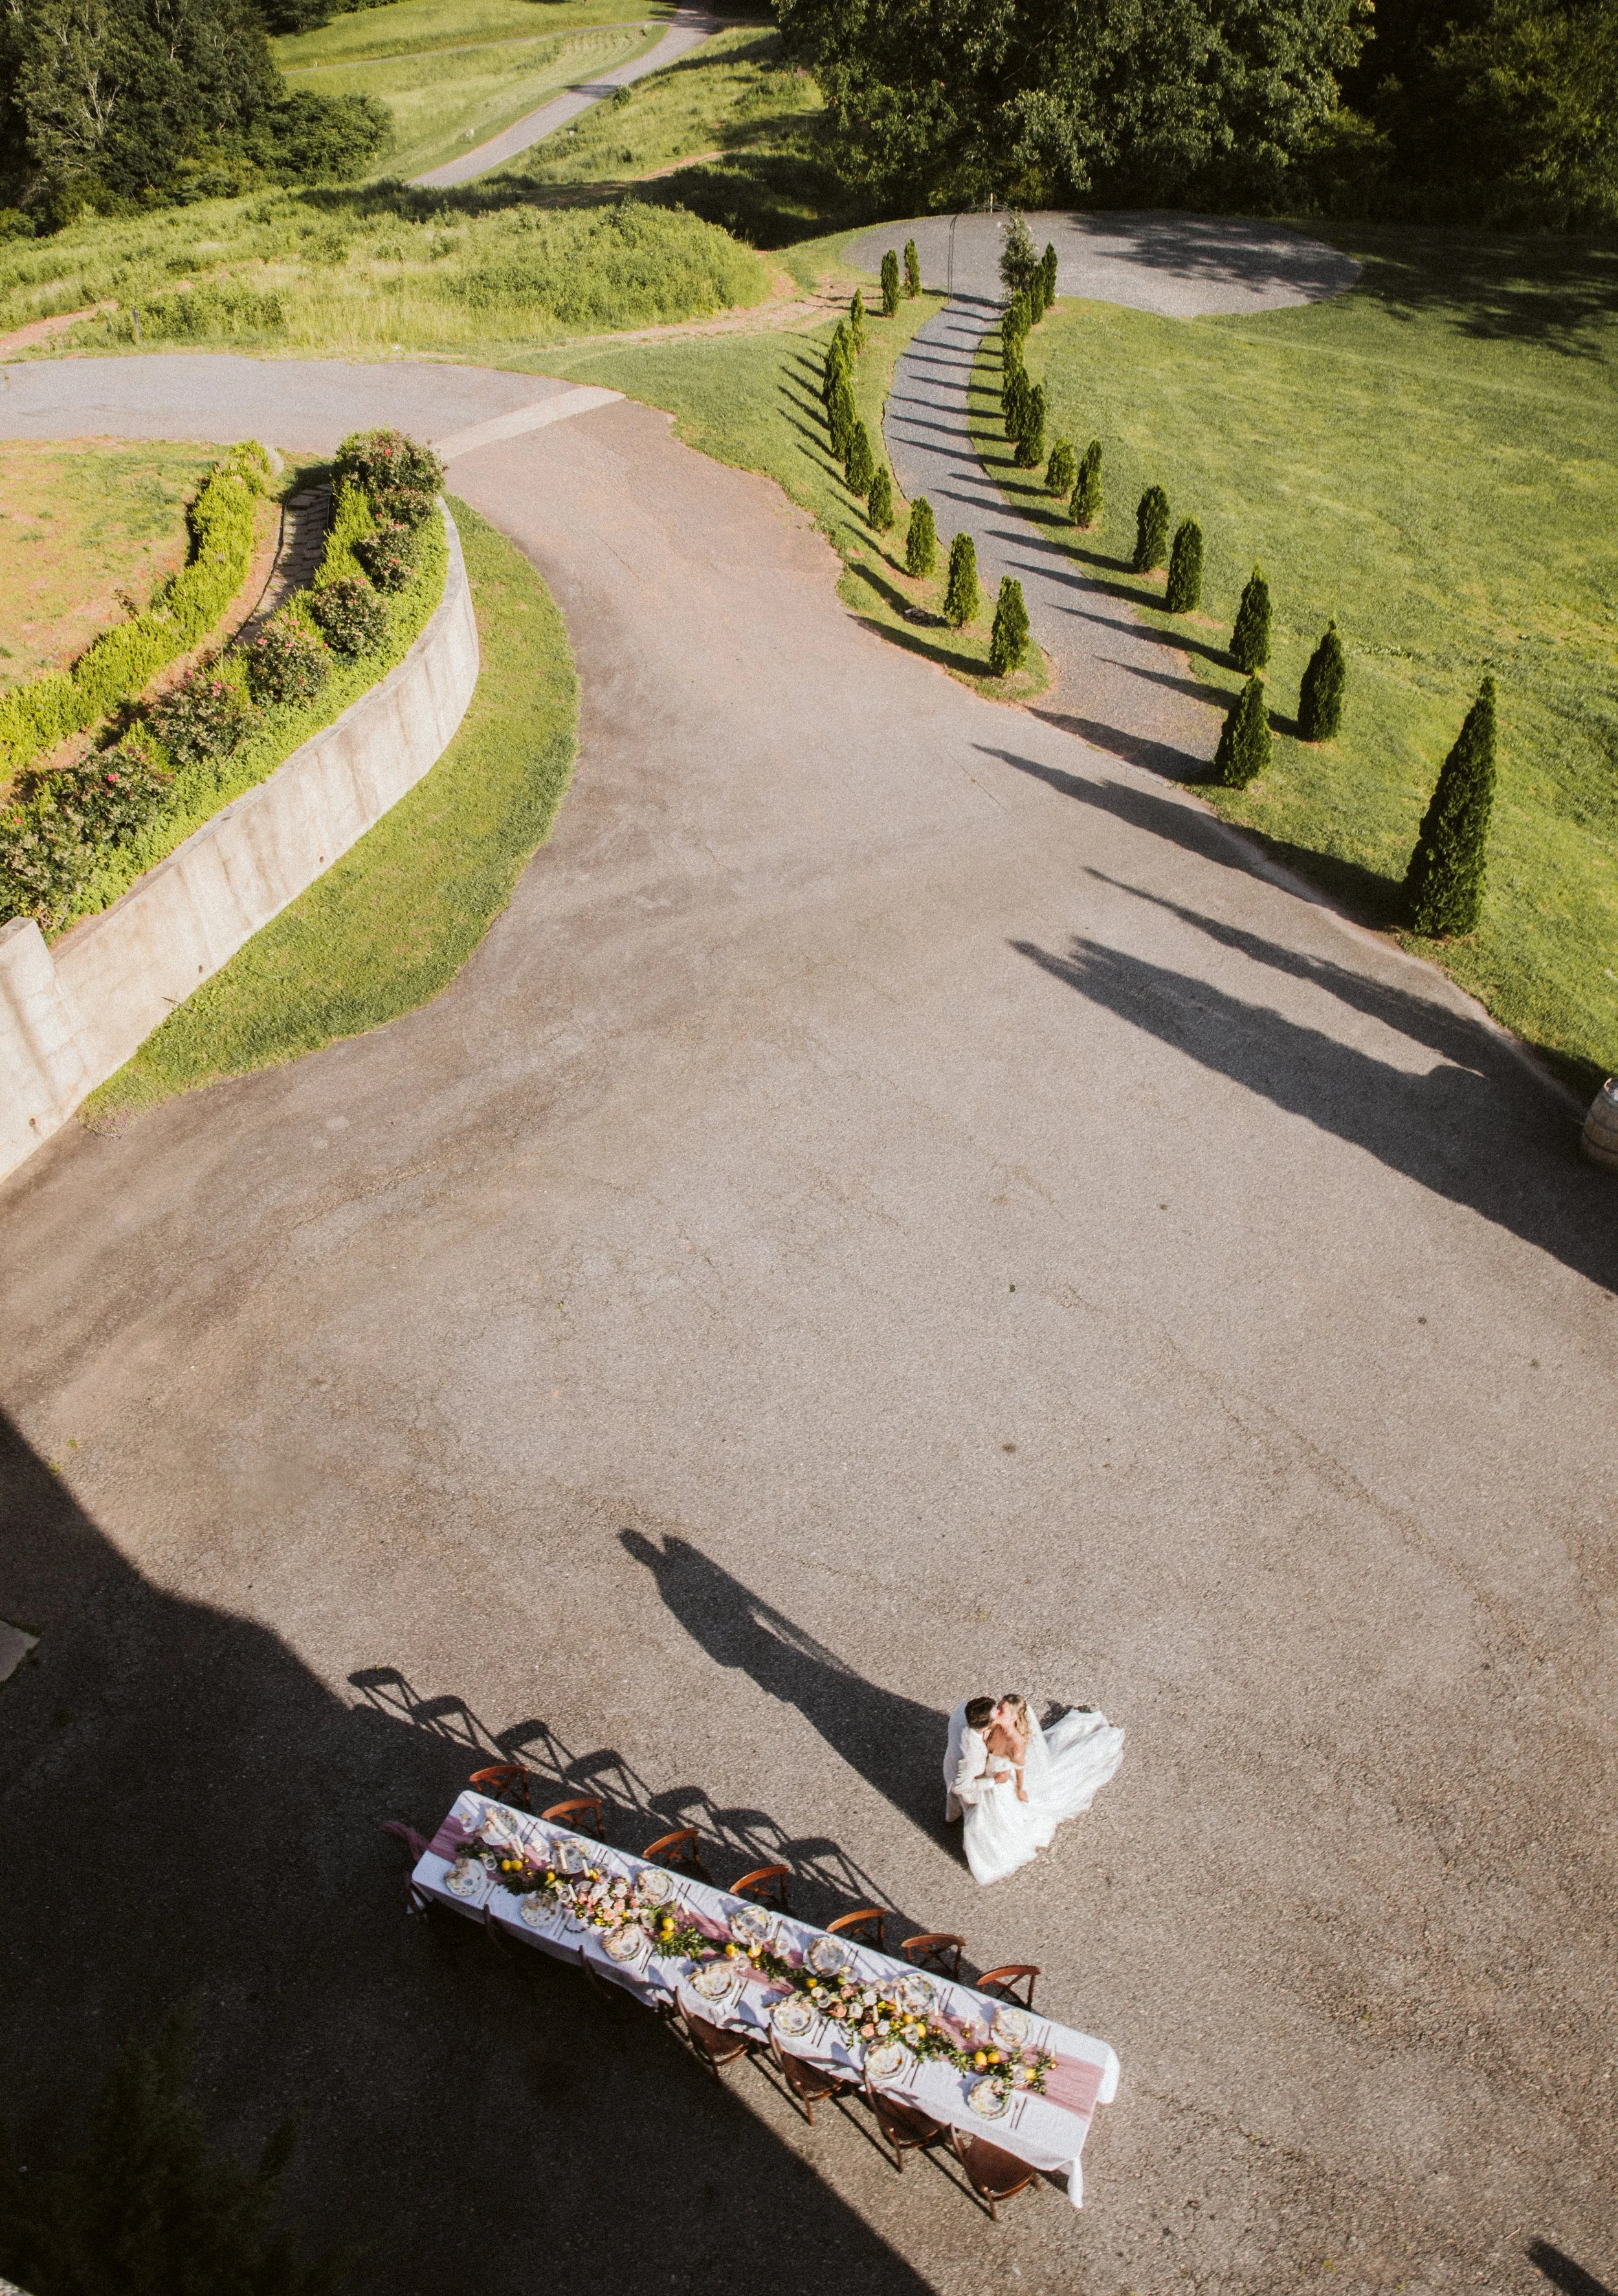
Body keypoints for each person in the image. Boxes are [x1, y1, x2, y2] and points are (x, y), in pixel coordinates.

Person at [944, 1692, 1125, 1887]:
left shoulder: (1016, 1744)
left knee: (990, 1821)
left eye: (1001, 1710)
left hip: (1001, 1785)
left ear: (1013, 1718)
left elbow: (1019, 1769)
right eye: (998, 1707)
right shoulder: (992, 1726)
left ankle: (987, 1850)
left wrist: (1021, 1789)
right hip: (988, 1780)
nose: (997, 1711)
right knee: (978, 1816)